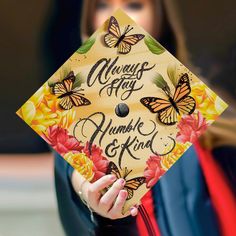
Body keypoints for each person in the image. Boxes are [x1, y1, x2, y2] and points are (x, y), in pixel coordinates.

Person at [52, 0, 236, 235]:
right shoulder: (73, 119)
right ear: (88, 20)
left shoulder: (202, 110)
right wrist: (92, 195)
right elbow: (76, 172)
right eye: (101, 5)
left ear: (160, 18)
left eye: (134, 5)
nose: (116, 16)